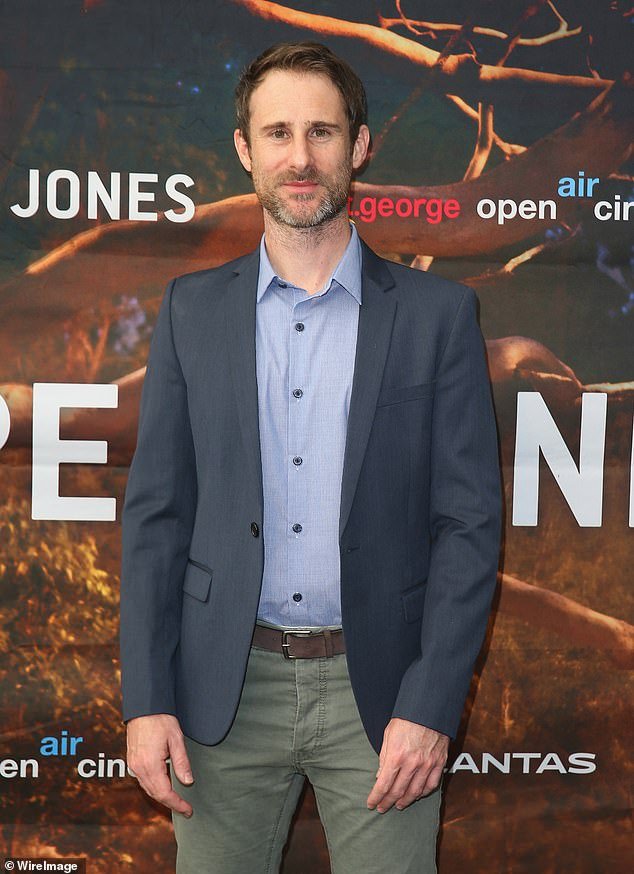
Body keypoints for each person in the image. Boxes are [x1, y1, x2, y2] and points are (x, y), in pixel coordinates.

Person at [120, 41, 502, 874]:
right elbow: (156, 517)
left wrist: (431, 705)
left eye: (322, 132)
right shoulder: (191, 310)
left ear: (359, 147)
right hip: (221, 694)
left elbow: (469, 527)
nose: (300, 157)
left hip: (385, 697)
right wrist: (146, 700)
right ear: (245, 150)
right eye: (278, 132)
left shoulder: (438, 317)